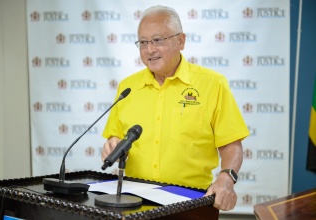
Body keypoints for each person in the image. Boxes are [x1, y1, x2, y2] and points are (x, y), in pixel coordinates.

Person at [101, 5, 249, 211]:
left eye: (158, 40)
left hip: (192, 203)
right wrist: (112, 144)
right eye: (143, 42)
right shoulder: (127, 87)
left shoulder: (213, 84)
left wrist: (227, 178)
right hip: (134, 203)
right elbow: (114, 138)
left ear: (181, 41)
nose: (149, 49)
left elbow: (231, 144)